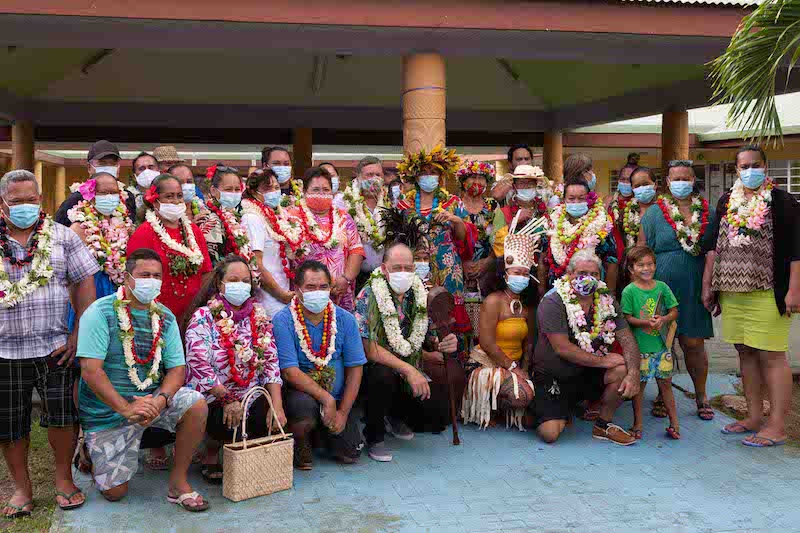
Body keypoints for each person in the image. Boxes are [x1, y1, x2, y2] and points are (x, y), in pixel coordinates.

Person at [77, 248, 209, 510]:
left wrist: (160, 401)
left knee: (195, 403)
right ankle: (87, 448)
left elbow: (177, 370)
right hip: (109, 410)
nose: (151, 280)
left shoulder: (165, 316)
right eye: (144, 274)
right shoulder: (100, 312)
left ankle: (178, 482)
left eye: (156, 275)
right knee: (115, 493)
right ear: (127, 278)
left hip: (150, 400)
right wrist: (126, 408)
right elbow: (91, 370)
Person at [0, 170, 98, 517]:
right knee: (10, 423)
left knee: (62, 416)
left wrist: (77, 334)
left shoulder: (62, 237)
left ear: (41, 200)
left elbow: (85, 281)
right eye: (16, 201)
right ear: (2, 204)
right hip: (4, 350)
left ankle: (63, 481)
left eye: (31, 199)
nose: (25, 206)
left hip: (56, 346)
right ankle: (22, 490)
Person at [703, 145, 799, 448]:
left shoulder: (782, 201)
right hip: (732, 292)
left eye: (755, 165)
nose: (749, 170)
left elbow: (797, 249)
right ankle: (754, 417)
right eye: (743, 166)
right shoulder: (726, 201)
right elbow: (713, 246)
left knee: (772, 356)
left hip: (768, 291)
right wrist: (709, 286)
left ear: (765, 167)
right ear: (736, 169)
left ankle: (777, 426)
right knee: (744, 353)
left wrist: (794, 289)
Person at [184, 255, 284, 482]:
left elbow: (270, 361)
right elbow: (198, 363)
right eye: (233, 280)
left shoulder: (259, 315)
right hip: (214, 395)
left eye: (245, 281)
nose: (240, 285)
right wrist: (227, 398)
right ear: (220, 284)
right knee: (222, 419)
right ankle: (211, 450)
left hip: (250, 392)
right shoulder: (204, 317)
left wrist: (276, 405)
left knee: (267, 414)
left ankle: (244, 453)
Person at [533, 250, 640, 446]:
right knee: (550, 434)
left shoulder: (606, 299)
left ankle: (603, 424)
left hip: (588, 372)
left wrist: (634, 373)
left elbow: (627, 339)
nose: (588, 279)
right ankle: (538, 409)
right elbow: (562, 348)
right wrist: (603, 361)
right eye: (581, 273)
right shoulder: (553, 301)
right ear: (569, 274)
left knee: (622, 369)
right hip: (555, 375)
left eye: (594, 274)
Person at [273, 261, 367, 470]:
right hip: (302, 396)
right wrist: (326, 399)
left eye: (323, 287)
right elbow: (289, 372)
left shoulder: (345, 319)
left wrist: (342, 411)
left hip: (338, 398)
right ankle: (302, 441)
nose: (318, 292)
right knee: (303, 408)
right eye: (310, 287)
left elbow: (355, 368)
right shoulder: (283, 320)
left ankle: (324, 434)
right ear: (297, 290)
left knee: (350, 453)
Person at [642, 160, 715, 421]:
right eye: (676, 178)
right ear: (668, 182)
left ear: (694, 180)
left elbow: (713, 252)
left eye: (686, 178)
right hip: (662, 288)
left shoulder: (709, 212)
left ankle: (702, 395)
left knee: (693, 343)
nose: (681, 183)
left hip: (696, 286)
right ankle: (663, 394)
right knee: (664, 344)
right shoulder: (653, 214)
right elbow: (643, 251)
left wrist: (710, 286)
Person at [396, 145, 476, 341]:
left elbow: (464, 236)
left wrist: (455, 220)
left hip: (447, 266)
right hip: (416, 265)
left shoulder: (452, 202)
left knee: (448, 311)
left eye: (433, 172)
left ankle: (453, 357)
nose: (429, 176)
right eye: (424, 172)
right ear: (415, 176)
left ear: (440, 177)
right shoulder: (403, 205)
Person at [462, 229, 537, 430]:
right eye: (516, 272)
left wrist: (526, 368)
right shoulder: (493, 301)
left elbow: (528, 343)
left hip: (515, 365)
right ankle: (494, 404)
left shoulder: (528, 305)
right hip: (488, 364)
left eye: (525, 273)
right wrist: (514, 369)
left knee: (529, 400)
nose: (521, 277)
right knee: (520, 395)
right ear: (504, 274)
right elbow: (487, 343)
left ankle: (505, 406)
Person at [127, 174, 213, 326]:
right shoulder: (144, 233)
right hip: (155, 315)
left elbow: (206, 271)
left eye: (179, 196)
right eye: (169, 196)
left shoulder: (193, 231)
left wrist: (195, 307)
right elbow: (135, 278)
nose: (176, 201)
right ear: (155, 201)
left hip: (192, 316)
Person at [622, 246, 680, 440]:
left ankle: (675, 424)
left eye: (650, 264)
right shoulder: (629, 291)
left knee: (666, 387)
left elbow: (674, 311)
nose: (646, 268)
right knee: (639, 388)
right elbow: (627, 317)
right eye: (641, 265)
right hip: (640, 350)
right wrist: (646, 322)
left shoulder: (662, 287)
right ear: (631, 269)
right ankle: (637, 424)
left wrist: (663, 319)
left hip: (662, 348)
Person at [288, 166, 365, 312]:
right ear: (304, 192)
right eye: (315, 190)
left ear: (333, 192)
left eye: (326, 190)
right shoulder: (292, 217)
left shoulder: (344, 217)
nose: (321, 194)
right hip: (306, 293)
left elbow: (356, 250)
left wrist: (346, 279)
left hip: (340, 291)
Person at [66, 171, 134, 330]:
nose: (109, 197)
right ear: (91, 195)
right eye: (103, 193)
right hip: (90, 294)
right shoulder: (78, 228)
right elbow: (70, 278)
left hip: (119, 293)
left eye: (114, 192)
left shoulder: (125, 224)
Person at [540, 176, 617, 295]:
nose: (576, 202)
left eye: (581, 199)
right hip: (557, 289)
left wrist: (610, 294)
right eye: (571, 198)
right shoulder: (552, 222)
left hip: (593, 291)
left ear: (589, 200)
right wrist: (541, 292)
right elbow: (543, 258)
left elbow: (611, 261)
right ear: (564, 200)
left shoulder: (602, 224)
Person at [240, 168, 300, 318]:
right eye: (268, 188)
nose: (274, 192)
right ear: (253, 191)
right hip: (267, 301)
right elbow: (256, 264)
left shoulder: (274, 215)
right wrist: (281, 294)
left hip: (282, 297)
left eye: (277, 187)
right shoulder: (252, 218)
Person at [55, 140, 137, 227]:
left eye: (113, 163)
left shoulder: (128, 197)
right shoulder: (76, 199)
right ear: (89, 167)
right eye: (102, 163)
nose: (108, 167)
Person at [200, 164, 256, 272]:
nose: (234, 194)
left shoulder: (235, 216)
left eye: (237, 189)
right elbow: (212, 264)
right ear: (213, 190)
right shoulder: (211, 220)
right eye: (228, 189)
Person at [341, 156, 387, 279]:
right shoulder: (344, 202)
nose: (374, 179)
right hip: (352, 275)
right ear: (358, 177)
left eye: (378, 174)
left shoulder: (390, 203)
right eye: (369, 175)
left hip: (382, 275)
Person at [457, 160, 498, 298]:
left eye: (481, 178)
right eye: (473, 177)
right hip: (457, 269)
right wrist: (462, 263)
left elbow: (500, 237)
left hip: (487, 271)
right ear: (463, 181)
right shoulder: (454, 205)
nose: (477, 182)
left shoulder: (493, 206)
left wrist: (488, 261)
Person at [492, 165, 551, 259]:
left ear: (536, 185)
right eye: (521, 183)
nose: (526, 186)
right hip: (513, 266)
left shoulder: (548, 211)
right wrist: (514, 222)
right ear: (514, 186)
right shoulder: (503, 212)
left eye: (530, 183)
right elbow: (494, 242)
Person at [606, 162, 637, 297]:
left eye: (630, 180)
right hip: (612, 259)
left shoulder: (641, 203)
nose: (626, 183)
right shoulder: (608, 201)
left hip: (634, 260)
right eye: (623, 179)